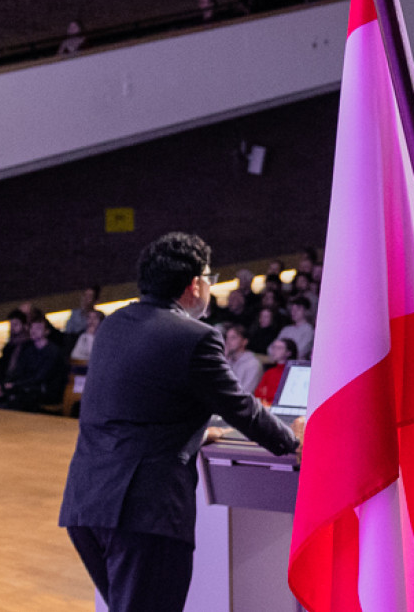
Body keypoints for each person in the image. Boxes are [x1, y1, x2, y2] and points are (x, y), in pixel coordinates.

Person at [59, 233, 301, 612]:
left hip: (86, 504)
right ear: (194, 284)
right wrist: (294, 440)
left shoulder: (114, 324)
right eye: (211, 277)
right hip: (143, 514)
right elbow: (243, 410)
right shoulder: (196, 337)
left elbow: (131, 405)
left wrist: (196, 433)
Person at [221, 323, 264, 396]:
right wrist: (223, 358)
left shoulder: (253, 364)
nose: (228, 342)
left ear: (244, 342)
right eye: (227, 338)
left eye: (233, 337)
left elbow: (246, 392)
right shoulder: (227, 360)